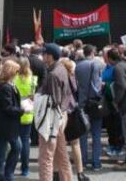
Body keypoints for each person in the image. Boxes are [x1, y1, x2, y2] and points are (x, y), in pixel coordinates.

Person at [38, 43, 73, 181]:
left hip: (52, 118)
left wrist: (38, 97)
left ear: (50, 56)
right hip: (61, 115)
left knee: (46, 157)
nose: (42, 56)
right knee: (62, 155)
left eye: (44, 54)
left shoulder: (53, 73)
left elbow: (54, 100)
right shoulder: (61, 68)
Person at [0, 59, 24, 181]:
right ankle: (1, 176)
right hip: (3, 126)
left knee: (15, 148)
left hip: (9, 125)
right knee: (1, 155)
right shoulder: (5, 87)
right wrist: (23, 110)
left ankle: (7, 174)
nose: (18, 74)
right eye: (17, 71)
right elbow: (7, 107)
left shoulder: (10, 85)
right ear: (11, 72)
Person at [74, 45, 103, 172]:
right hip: (94, 103)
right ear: (92, 52)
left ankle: (83, 162)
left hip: (82, 103)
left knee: (83, 134)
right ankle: (96, 163)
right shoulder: (96, 65)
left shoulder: (77, 66)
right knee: (96, 134)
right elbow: (97, 85)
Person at [15, 56, 38, 177]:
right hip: (28, 113)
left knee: (14, 141)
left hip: (15, 112)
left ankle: (11, 166)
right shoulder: (33, 80)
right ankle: (25, 169)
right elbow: (34, 96)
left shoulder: (14, 79)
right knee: (25, 142)